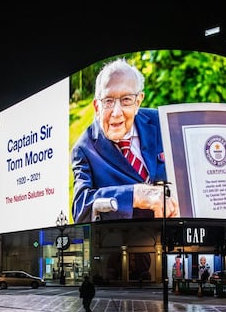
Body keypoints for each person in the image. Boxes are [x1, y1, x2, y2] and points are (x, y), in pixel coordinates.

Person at [71, 58, 179, 223]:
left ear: (138, 101)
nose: (116, 113)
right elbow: (80, 209)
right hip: (126, 242)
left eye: (126, 100)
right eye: (108, 101)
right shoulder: (84, 149)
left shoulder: (162, 122)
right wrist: (135, 194)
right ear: (96, 107)